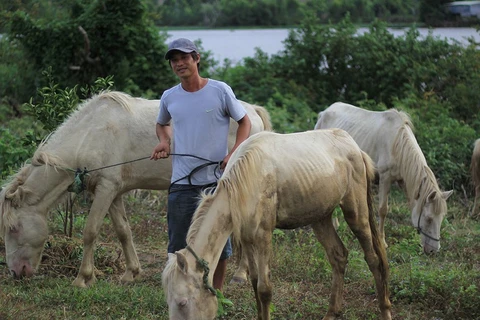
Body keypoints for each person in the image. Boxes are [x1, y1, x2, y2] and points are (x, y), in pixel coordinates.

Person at [150, 38, 252, 292]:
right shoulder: (169, 97)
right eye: (174, 60)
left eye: (184, 58)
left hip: (216, 182)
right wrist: (164, 140)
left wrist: (234, 154)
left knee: (220, 243)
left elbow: (245, 123)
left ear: (196, 58)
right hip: (182, 183)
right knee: (177, 244)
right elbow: (161, 123)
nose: (179, 63)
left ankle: (212, 294)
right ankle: (181, 292)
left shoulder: (219, 90)